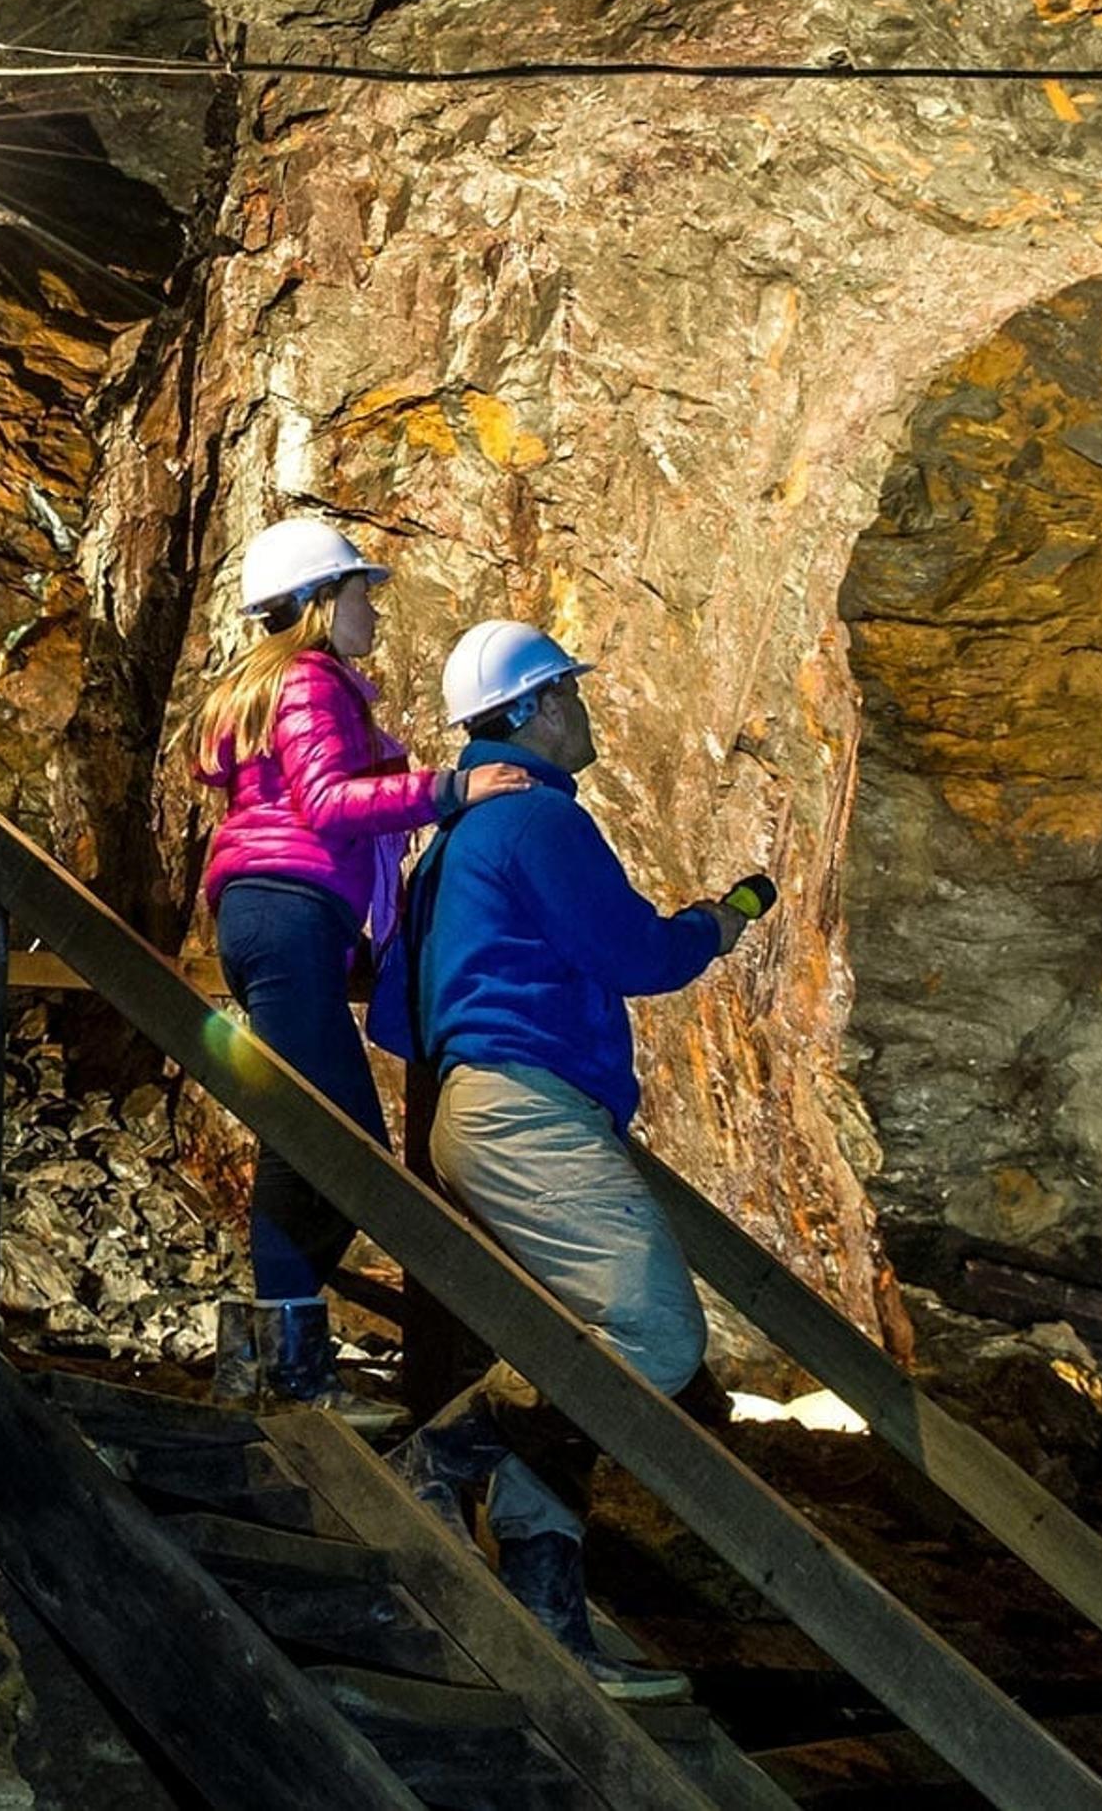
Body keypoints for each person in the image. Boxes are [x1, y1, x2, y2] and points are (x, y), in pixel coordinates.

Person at [373, 619, 777, 1698]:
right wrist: (710, 925)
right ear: (541, 707)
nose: (586, 715)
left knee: (580, 1351)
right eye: (574, 698)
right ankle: (433, 1468)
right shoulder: (539, 820)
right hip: (526, 1109)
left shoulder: (462, 835)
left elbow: (399, 1007)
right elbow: (632, 952)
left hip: (482, 1107)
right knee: (653, 1330)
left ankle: (551, 1621)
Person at [194, 518, 532, 1419]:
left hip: (281, 916)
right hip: (289, 913)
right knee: (345, 1151)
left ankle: (258, 1362)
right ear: (317, 605)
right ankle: (293, 1373)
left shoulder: (284, 684)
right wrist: (450, 787)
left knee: (301, 1142)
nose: (370, 609)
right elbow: (329, 803)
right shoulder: (309, 681)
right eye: (358, 593)